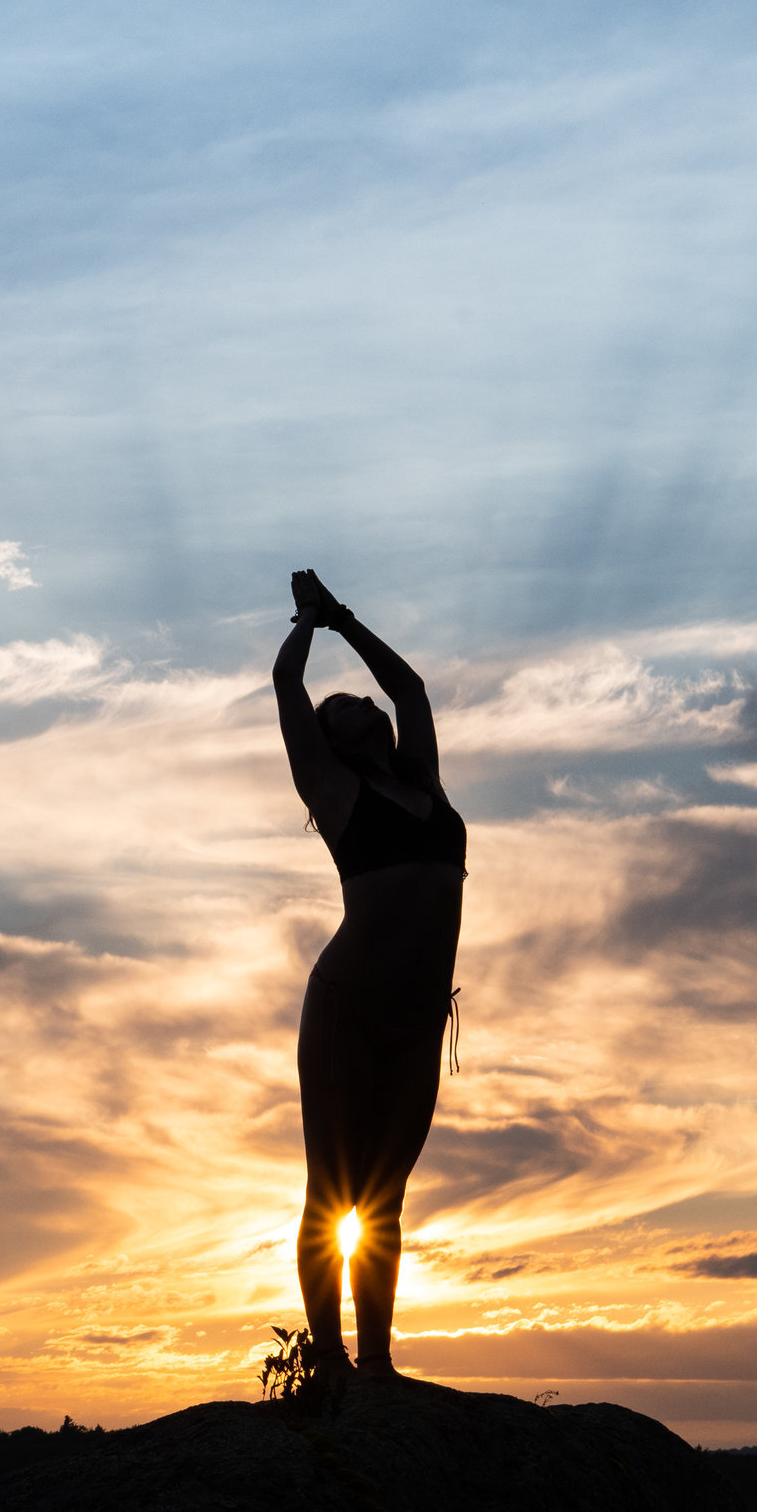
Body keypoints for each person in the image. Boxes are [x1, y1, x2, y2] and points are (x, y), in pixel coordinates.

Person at [273, 568, 465, 1381]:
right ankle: (329, 1364)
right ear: (335, 740)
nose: (368, 702)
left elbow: (412, 687)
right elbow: (287, 681)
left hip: (420, 1021)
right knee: (332, 1194)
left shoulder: (422, 782)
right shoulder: (338, 791)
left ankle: (377, 1366)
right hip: (347, 1008)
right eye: (346, 706)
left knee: (384, 1201)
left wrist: (347, 617)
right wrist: (309, 622)